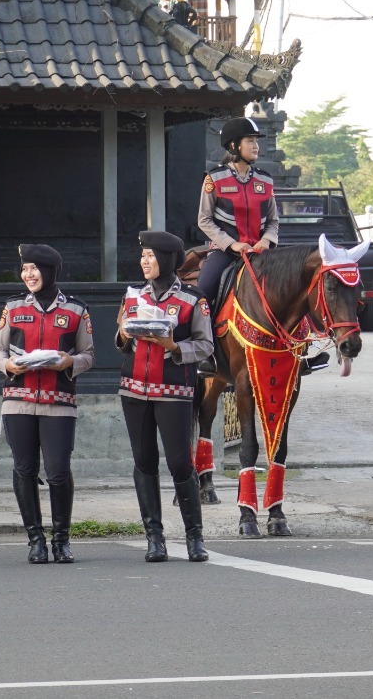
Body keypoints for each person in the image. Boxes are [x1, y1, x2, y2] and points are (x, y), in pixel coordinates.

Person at [0, 243, 95, 564]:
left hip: (59, 403)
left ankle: (61, 540)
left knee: (58, 472)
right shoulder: (12, 307)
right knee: (24, 470)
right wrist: (8, 366)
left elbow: (89, 355)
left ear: (50, 271)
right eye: (24, 269)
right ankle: (35, 539)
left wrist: (68, 361)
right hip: (17, 401)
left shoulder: (76, 310)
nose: (28, 274)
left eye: (34, 268)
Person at [116, 230, 213, 563]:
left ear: (168, 259)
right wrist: (125, 332)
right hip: (133, 391)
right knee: (143, 462)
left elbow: (205, 345)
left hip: (173, 392)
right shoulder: (132, 296)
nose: (144, 262)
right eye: (142, 256)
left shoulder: (192, 298)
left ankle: (194, 538)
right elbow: (121, 336)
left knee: (179, 463)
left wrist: (173, 347)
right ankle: (154, 539)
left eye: (151, 256)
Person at [196, 116, 279, 306]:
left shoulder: (266, 180)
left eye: (256, 141)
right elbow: (204, 220)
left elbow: (273, 221)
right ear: (234, 145)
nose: (256, 146)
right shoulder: (214, 178)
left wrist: (266, 240)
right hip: (225, 253)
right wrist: (232, 244)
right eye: (250, 141)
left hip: (262, 252)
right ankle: (200, 336)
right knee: (202, 294)